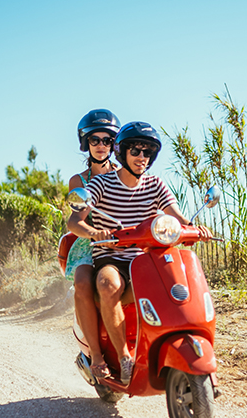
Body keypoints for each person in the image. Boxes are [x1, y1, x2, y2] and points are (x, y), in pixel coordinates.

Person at [67, 121, 212, 384]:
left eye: (147, 152)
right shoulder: (101, 184)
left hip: (145, 258)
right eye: (135, 151)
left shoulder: (156, 184)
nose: (141, 157)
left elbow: (177, 217)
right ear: (122, 153)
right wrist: (93, 232)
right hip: (111, 257)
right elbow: (74, 222)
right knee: (107, 283)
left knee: (177, 287)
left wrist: (194, 229)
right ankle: (124, 357)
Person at [64, 109, 121, 379]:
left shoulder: (125, 175)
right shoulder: (79, 181)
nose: (100, 145)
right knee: (84, 281)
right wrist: (93, 232)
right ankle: (96, 357)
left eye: (107, 140)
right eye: (94, 140)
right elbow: (74, 222)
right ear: (85, 143)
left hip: (124, 244)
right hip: (91, 246)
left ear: (114, 143)